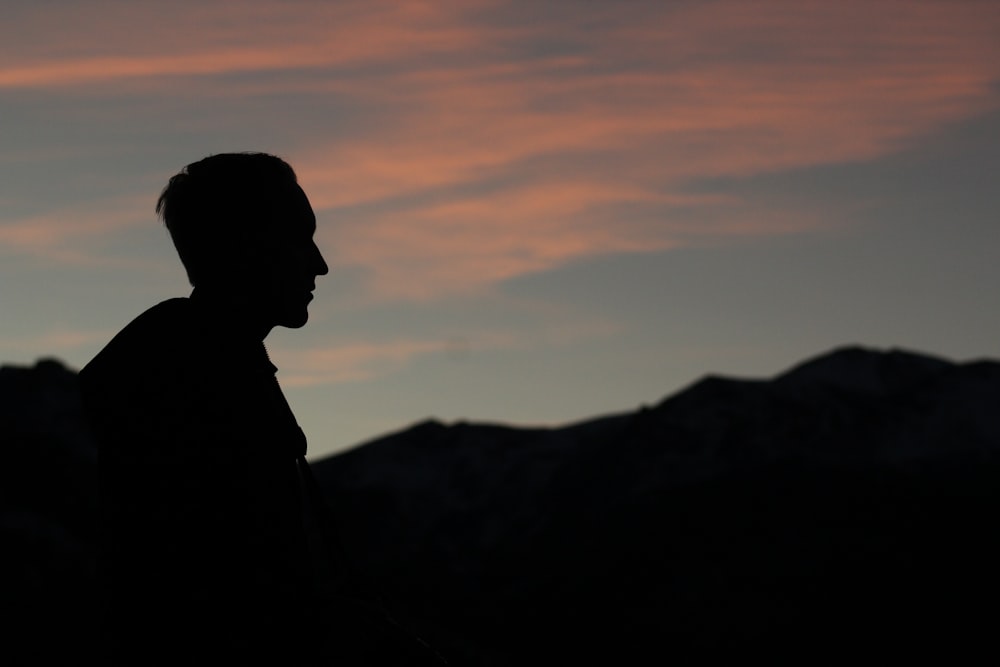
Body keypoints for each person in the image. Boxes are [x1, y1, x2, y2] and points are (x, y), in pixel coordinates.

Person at [80, 153, 331, 664]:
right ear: (248, 247)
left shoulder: (206, 364)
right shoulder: (194, 382)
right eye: (298, 237)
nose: (319, 263)